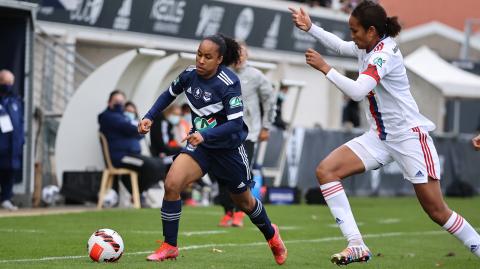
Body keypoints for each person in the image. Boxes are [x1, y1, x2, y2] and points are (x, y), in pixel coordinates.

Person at [290, 1, 480, 265]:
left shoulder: (384, 54)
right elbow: (339, 45)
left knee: (437, 211)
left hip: (409, 137)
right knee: (326, 171)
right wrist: (311, 28)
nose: (351, 37)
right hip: (381, 137)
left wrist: (325, 68)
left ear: (371, 31)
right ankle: (356, 244)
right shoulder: (366, 45)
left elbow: (357, 91)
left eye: (355, 31)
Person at [138, 34, 287, 264]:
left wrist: (204, 134)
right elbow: (168, 94)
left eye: (208, 57)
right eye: (199, 54)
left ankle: (271, 234)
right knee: (171, 184)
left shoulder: (229, 83)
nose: (200, 60)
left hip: (229, 150)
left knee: (244, 202)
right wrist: (149, 116)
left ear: (219, 59)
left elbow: (235, 124)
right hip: (201, 147)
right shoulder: (188, 75)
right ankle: (169, 246)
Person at [215, 42, 277, 227]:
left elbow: (270, 101)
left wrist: (266, 126)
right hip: (223, 131)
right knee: (221, 173)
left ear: (247, 55)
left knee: (242, 173)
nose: (240, 56)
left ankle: (241, 213)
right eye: (237, 53)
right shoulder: (222, 73)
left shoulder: (256, 75)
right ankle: (227, 212)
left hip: (247, 133)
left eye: (243, 53)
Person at [98, 90, 165, 199]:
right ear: (109, 103)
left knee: (160, 165)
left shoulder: (123, 117)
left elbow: (140, 134)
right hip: (121, 157)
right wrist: (135, 129)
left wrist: (136, 129)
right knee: (152, 166)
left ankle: (137, 192)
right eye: (116, 101)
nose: (119, 104)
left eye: (121, 102)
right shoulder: (107, 116)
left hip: (133, 155)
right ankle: (138, 194)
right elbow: (131, 128)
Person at [0, 70, 22, 211]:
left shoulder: (15, 101)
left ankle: (6, 198)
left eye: (10, 83)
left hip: (13, 145)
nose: (9, 85)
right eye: (6, 82)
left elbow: (20, 122)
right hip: (1, 143)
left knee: (10, 172)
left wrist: (21, 141)